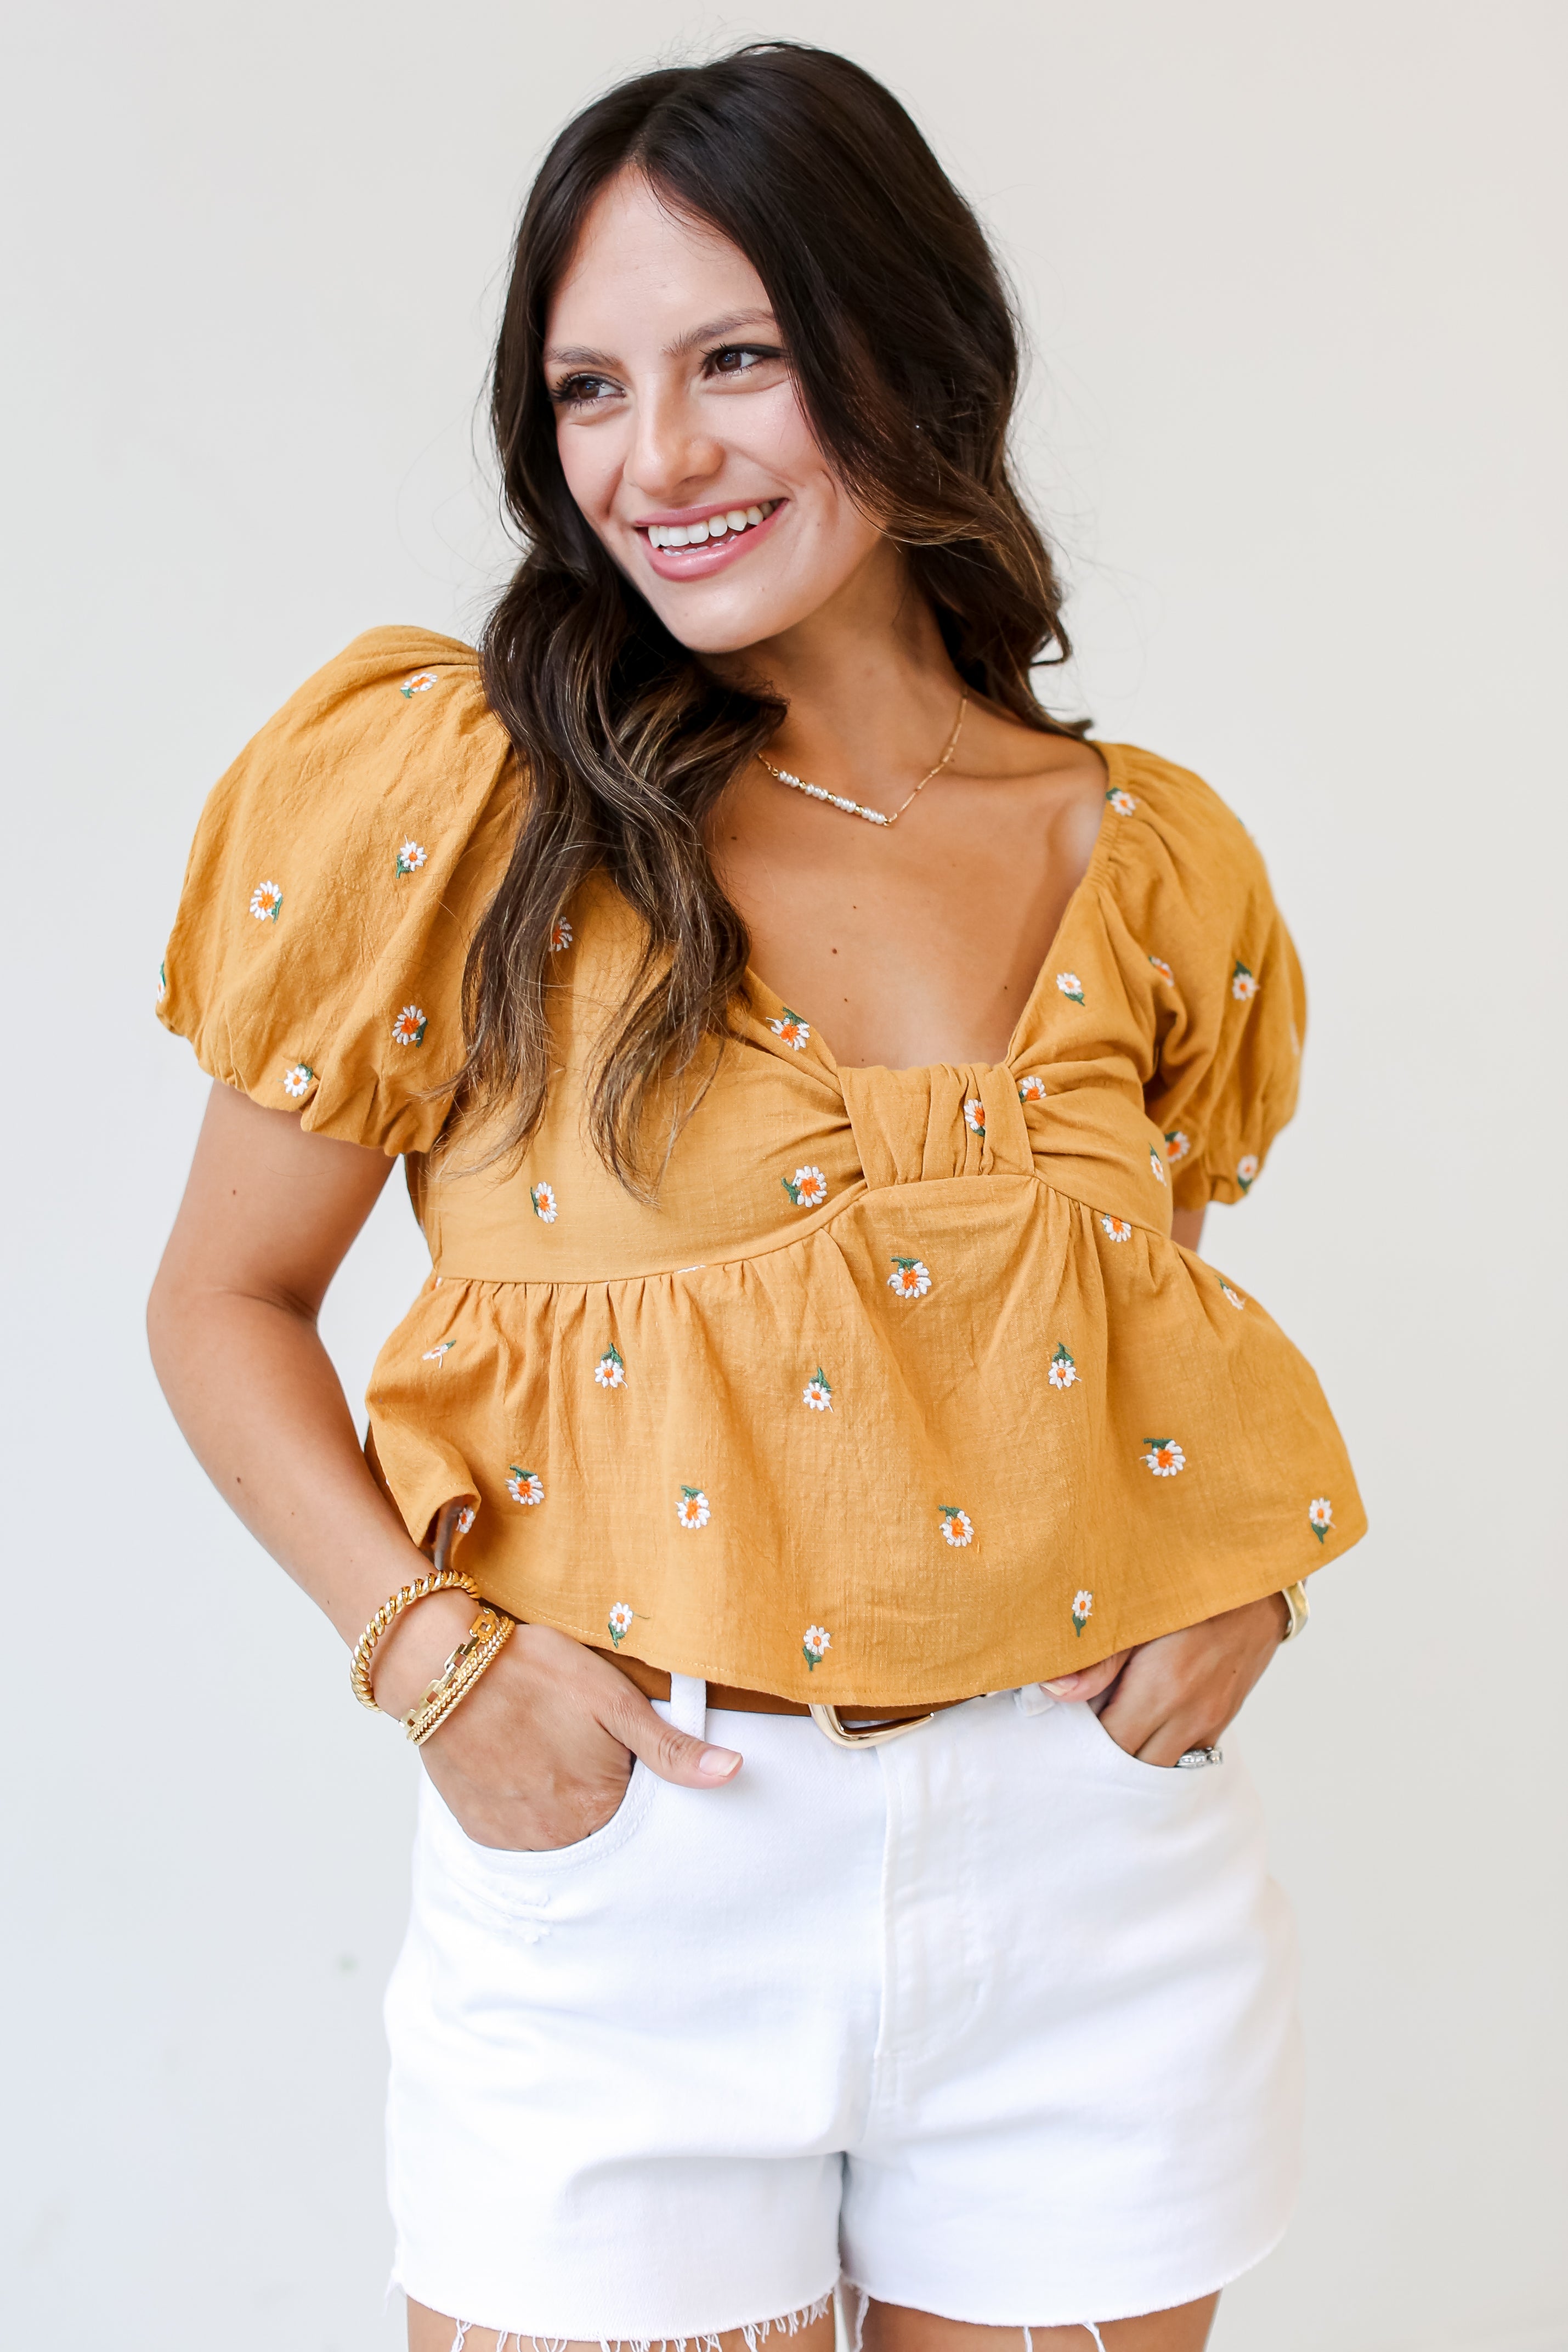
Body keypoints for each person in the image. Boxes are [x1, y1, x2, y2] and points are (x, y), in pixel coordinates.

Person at [148, 42, 1364, 2352]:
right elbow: (221, 1297)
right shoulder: (456, 796)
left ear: (908, 355)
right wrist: (436, 1664)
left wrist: (1240, 1610)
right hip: (639, 1864)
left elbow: (1121, 1365)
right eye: (590, 387)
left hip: (1095, 1891)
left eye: (738, 360)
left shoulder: (1155, 853)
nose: (656, 456)